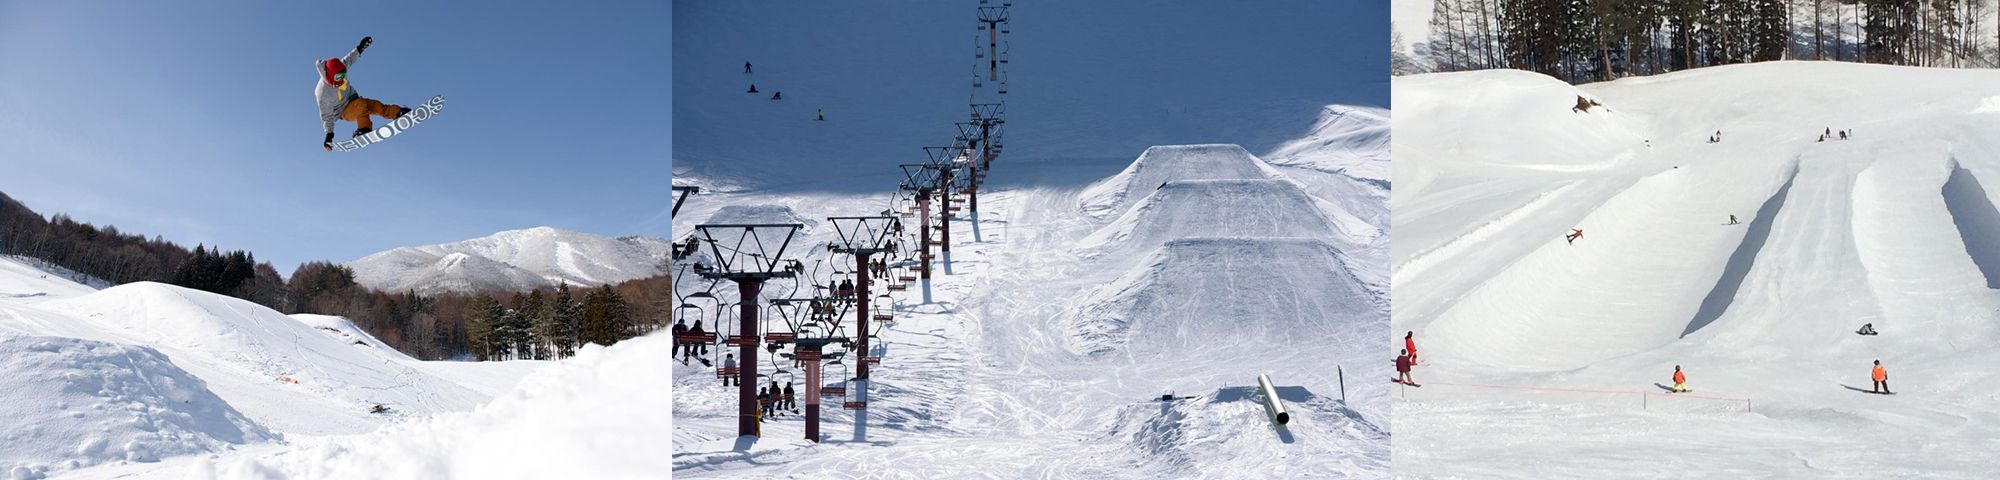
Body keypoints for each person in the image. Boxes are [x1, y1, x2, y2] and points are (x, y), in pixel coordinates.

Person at [316, 36, 412, 151]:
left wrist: (360, 48)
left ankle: (398, 112)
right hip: (343, 111)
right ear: (331, 76)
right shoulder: (322, 92)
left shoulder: (340, 67)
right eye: (338, 77)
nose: (341, 79)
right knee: (360, 105)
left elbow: (350, 59)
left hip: (355, 100)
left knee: (376, 105)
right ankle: (364, 130)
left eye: (343, 75)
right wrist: (329, 136)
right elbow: (326, 117)